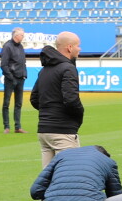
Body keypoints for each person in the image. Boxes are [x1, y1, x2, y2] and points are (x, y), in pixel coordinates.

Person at [31, 31, 84, 164]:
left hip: (44, 130)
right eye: (78, 46)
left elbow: (34, 98)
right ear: (69, 47)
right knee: (68, 173)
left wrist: (49, 113)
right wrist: (78, 115)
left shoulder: (44, 70)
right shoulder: (68, 69)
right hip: (63, 131)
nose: (79, 49)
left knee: (48, 174)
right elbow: (71, 100)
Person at [0, 27, 28, 134]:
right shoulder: (7, 46)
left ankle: (17, 127)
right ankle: (6, 126)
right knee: (6, 103)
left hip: (20, 78)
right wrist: (11, 77)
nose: (23, 37)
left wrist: (24, 74)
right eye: (22, 35)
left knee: (18, 103)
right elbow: (3, 64)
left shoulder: (21, 46)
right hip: (10, 79)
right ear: (16, 36)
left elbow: (23, 62)